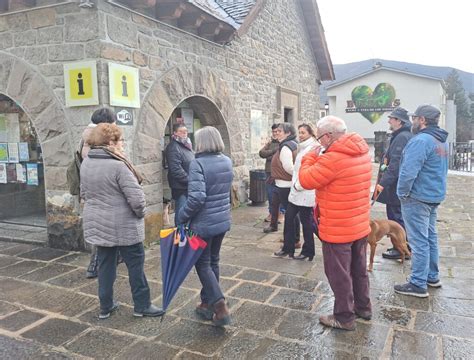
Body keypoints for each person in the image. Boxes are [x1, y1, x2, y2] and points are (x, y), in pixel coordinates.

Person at [81, 123, 163, 319]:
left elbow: (85, 193)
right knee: (136, 265)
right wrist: (140, 213)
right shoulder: (119, 166)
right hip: (124, 225)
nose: (123, 145)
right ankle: (142, 306)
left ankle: (106, 306)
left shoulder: (86, 163)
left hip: (99, 224)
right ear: (110, 143)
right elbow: (136, 199)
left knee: (105, 265)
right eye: (120, 141)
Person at [299, 116, 372, 331]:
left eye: (320, 137)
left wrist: (309, 158)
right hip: (359, 224)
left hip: (338, 227)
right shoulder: (362, 151)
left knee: (339, 274)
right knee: (359, 270)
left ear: (329, 136)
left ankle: (344, 317)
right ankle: (363, 307)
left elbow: (306, 180)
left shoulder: (333, 158)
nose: (319, 142)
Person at [176, 126, 233, 326]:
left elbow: (197, 198)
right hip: (221, 220)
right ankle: (207, 303)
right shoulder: (226, 160)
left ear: (201, 142)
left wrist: (181, 216)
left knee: (203, 264)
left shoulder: (197, 163)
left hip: (203, 223)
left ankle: (220, 306)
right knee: (213, 261)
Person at [394, 105, 448, 298]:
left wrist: (402, 193)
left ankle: (418, 283)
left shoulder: (421, 140)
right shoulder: (440, 140)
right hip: (433, 195)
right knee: (430, 237)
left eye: (415, 117)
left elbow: (409, 171)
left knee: (418, 241)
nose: (413, 121)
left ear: (423, 120)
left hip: (417, 197)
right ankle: (432, 277)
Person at [81, 108, 117, 279]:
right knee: (100, 231)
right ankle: (94, 265)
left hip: (92, 188)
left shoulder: (89, 134)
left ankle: (108, 260)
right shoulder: (93, 137)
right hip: (99, 188)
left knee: (103, 229)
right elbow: (92, 161)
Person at [373, 107, 414, 260]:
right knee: (397, 216)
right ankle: (401, 246)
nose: (389, 120)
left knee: (396, 218)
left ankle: (402, 248)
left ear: (399, 121)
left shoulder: (402, 137)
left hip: (395, 186)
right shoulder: (401, 135)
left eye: (391, 118)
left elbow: (395, 164)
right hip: (396, 185)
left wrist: (382, 183)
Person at [273, 124, 318, 260]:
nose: (300, 135)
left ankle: (308, 251)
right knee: (290, 219)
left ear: (311, 133)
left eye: (303, 132)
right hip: (296, 191)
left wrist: (300, 184)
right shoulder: (302, 147)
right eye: (299, 132)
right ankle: (288, 248)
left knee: (307, 223)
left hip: (305, 191)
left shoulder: (314, 148)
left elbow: (311, 170)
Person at [264, 123, 300, 246]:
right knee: (275, 204)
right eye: (276, 131)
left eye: (280, 131)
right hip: (279, 182)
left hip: (285, 184)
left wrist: (295, 176)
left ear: (288, 133)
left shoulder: (286, 146)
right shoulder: (290, 144)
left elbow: (289, 167)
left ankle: (294, 240)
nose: (277, 133)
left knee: (291, 213)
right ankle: (277, 228)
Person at [165, 123, 195, 225]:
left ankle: (187, 238)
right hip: (180, 188)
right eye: (181, 132)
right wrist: (190, 180)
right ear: (175, 133)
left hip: (189, 186)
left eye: (185, 131)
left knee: (188, 214)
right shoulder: (173, 147)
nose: (184, 134)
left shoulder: (187, 145)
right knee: (181, 215)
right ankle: (179, 237)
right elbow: (176, 169)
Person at [259, 124, 284, 223]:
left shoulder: (283, 143)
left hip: (279, 173)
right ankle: (271, 213)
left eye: (277, 131)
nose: (275, 133)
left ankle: (281, 213)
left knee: (280, 194)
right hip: (269, 172)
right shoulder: (270, 143)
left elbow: (278, 156)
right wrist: (272, 151)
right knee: (270, 194)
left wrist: (269, 154)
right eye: (273, 132)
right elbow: (261, 153)